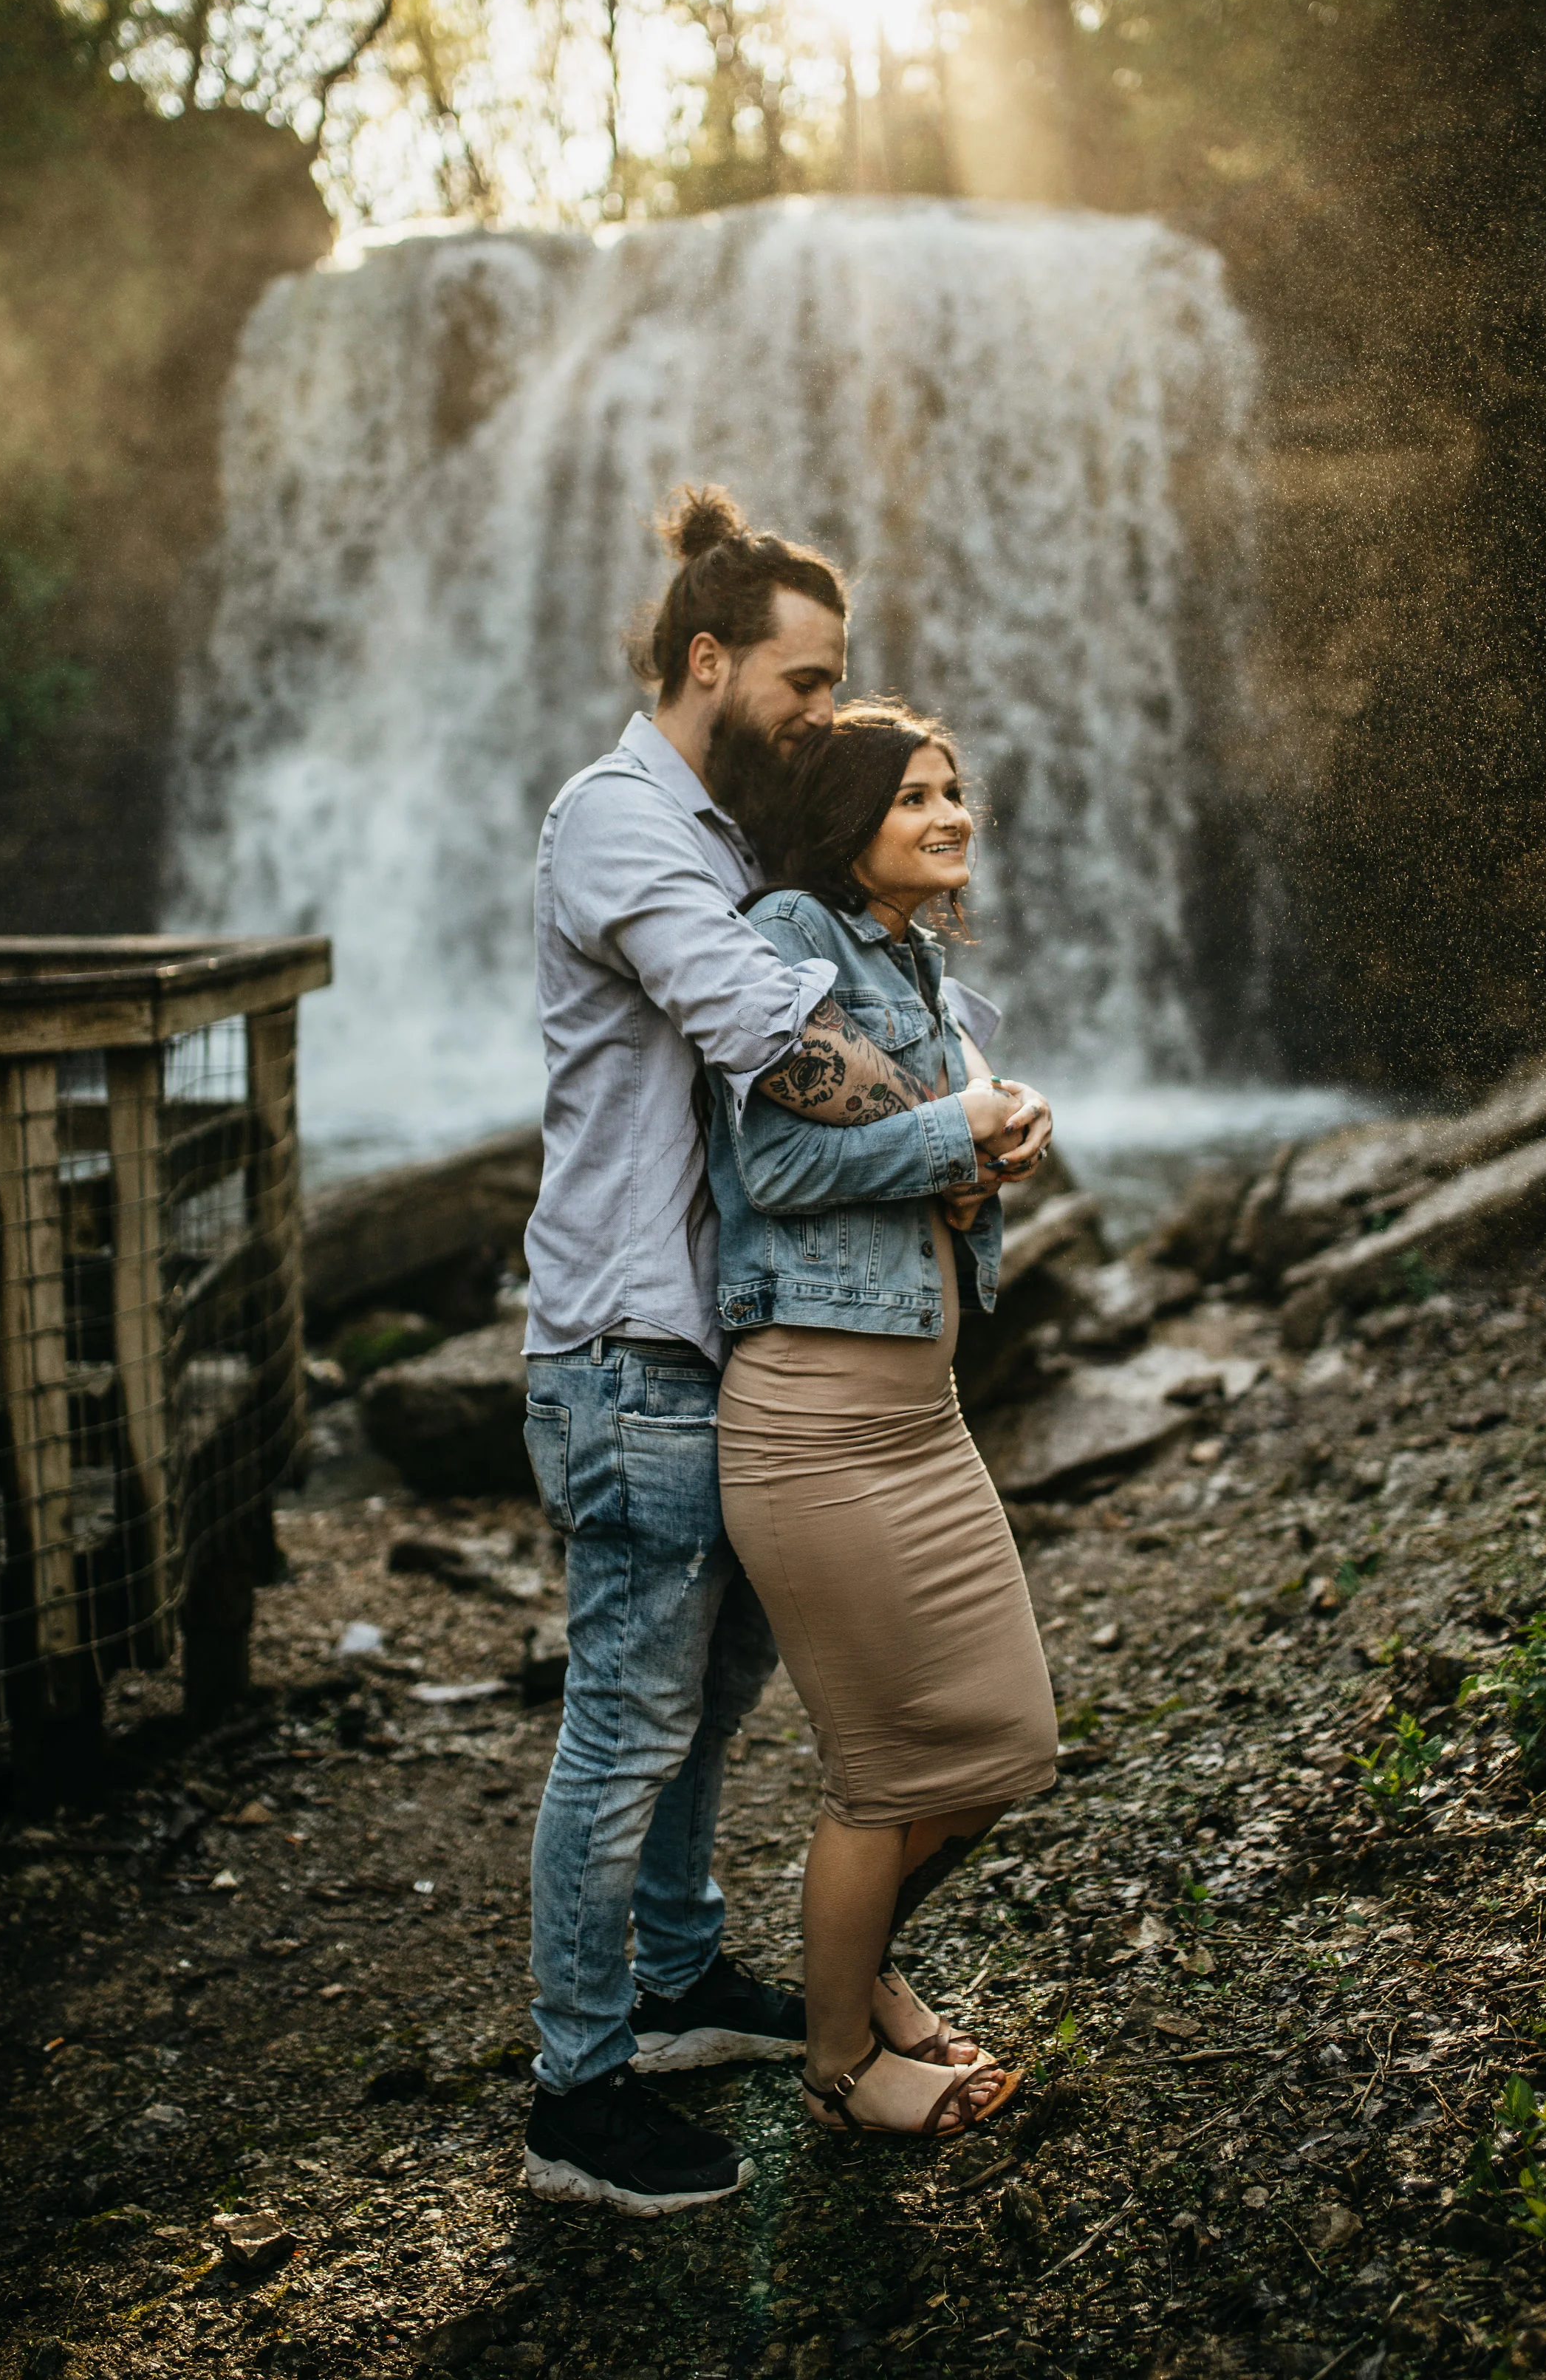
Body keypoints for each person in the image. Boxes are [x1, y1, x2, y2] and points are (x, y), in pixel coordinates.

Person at [519, 489, 1052, 2217]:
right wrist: (966, 1127)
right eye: (811, 683)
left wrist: (969, 1135)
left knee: (713, 1703)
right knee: (626, 1721)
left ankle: (677, 1982)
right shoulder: (623, 827)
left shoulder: (745, 845)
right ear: (707, 662)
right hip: (631, 1339)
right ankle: (576, 2091)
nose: (833, 713)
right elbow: (769, 1046)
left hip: (733, 1345)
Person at [711, 702, 1061, 2138]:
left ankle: (854, 1980)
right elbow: (783, 1164)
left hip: (922, 1420)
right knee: (884, 1775)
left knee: (1004, 1746)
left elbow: (916, 1149)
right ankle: (843, 2063)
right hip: (816, 1422)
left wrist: (1007, 1143)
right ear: (847, 818)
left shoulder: (920, 966)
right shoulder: (797, 929)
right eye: (914, 795)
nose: (950, 814)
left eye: (955, 791)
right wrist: (961, 1135)